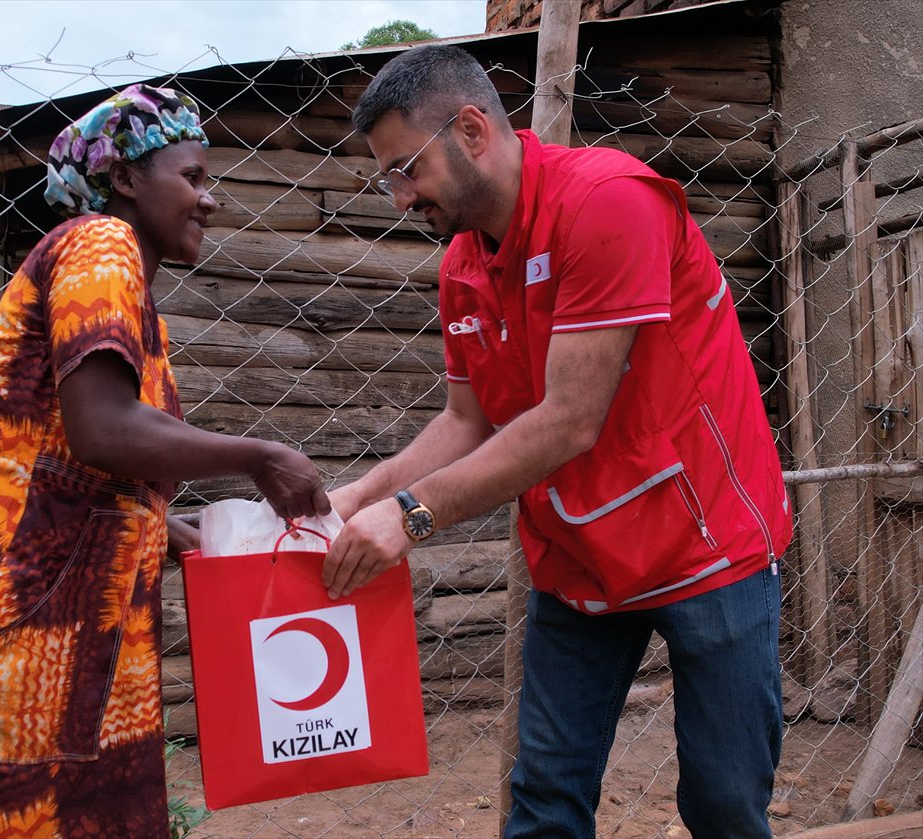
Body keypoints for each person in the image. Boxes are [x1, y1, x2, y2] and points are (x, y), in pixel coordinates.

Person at [322, 46, 792, 838]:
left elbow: (572, 418)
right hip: (579, 555)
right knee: (544, 798)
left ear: (471, 129)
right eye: (386, 178)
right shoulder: (464, 263)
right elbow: (466, 422)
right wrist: (353, 497)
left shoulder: (607, 202)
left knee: (723, 802)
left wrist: (407, 516)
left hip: (703, 539)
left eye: (406, 169)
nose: (400, 197)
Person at [0, 84, 330, 839]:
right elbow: (101, 428)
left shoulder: (131, 293)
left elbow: (72, 459)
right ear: (126, 178)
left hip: (45, 594)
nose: (211, 199)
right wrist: (260, 456)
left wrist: (173, 526)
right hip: (5, 592)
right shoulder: (100, 242)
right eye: (192, 178)